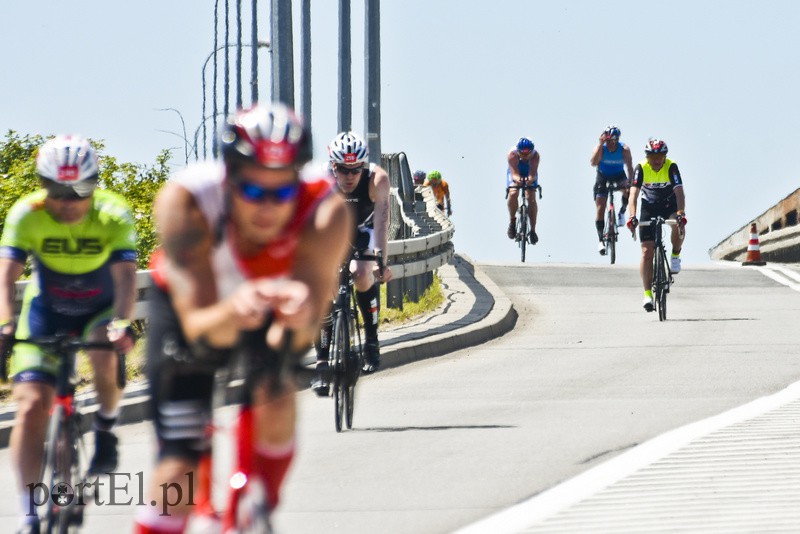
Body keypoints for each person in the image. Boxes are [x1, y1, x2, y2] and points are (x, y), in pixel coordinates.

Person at [133, 103, 352, 533]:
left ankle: (255, 508)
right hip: (192, 309)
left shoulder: (326, 212)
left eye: (281, 192)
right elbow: (198, 324)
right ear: (229, 178)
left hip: (265, 306)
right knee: (178, 470)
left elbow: (307, 323)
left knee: (277, 392)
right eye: (253, 191)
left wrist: (300, 311)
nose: (267, 208)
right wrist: (235, 307)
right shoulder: (188, 201)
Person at [0, 135, 137, 534]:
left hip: (100, 309)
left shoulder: (113, 213)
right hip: (47, 311)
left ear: (94, 185)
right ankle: (29, 512)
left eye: (80, 191)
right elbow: (6, 279)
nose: (69, 201)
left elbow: (127, 280)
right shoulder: (26, 213)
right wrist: (5, 325)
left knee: (102, 352)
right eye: (58, 191)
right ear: (44, 186)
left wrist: (123, 324)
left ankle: (107, 428)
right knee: (29, 408)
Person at [312, 131, 393, 396]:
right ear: (332, 166)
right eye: (343, 170)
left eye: (355, 170)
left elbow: (382, 224)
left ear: (364, 167)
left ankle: (371, 340)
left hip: (364, 229)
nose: (349, 177)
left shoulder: (377, 180)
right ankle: (322, 363)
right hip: (331, 228)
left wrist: (381, 259)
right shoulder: (319, 180)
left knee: (361, 272)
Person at [626, 138, 687, 312]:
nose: (656, 160)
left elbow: (680, 194)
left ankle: (675, 255)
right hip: (649, 207)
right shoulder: (641, 168)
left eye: (660, 156)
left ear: (665, 156)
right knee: (646, 252)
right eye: (652, 156)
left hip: (668, 204)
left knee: (677, 224)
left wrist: (681, 214)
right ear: (647, 156)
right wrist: (632, 216)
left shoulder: (671, 166)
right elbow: (633, 195)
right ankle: (647, 295)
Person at [590, 125, 634, 255]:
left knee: (628, 191)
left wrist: (630, 182)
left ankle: (621, 212)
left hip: (619, 175)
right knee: (600, 208)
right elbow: (593, 163)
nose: (608, 144)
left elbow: (630, 167)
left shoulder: (624, 149)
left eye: (611, 141)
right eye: (607, 141)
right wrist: (600, 146)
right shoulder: (600, 149)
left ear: (616, 140)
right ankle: (600, 241)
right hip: (602, 176)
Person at [506, 137, 540, 244]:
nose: (525, 156)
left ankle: (533, 230)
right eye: (522, 154)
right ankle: (512, 222)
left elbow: (533, 173)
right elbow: (514, 174)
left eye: (527, 154)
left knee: (531, 197)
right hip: (516, 171)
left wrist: (530, 179)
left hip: (528, 171)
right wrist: (518, 180)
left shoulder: (535, 156)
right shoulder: (512, 155)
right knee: (513, 192)